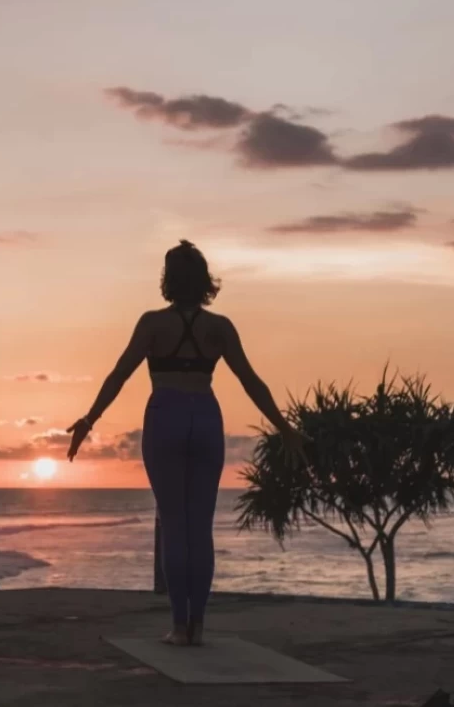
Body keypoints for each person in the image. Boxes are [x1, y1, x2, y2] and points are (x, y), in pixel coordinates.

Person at [66, 239, 311, 647]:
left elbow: (119, 375)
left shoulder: (152, 324)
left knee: (175, 526)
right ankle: (198, 625)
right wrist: (285, 429)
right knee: (200, 528)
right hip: (206, 417)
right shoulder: (220, 328)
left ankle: (179, 627)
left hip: (165, 415)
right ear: (204, 281)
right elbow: (251, 381)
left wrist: (90, 420)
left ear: (168, 280)